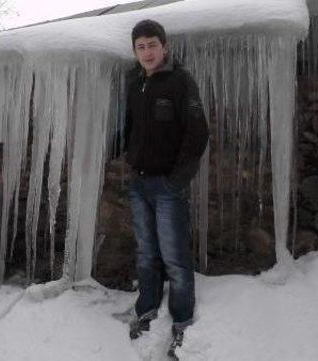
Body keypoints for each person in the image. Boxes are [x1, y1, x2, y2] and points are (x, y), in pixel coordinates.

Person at [124, 19, 209, 355]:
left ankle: (182, 321)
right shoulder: (134, 83)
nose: (147, 52)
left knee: (174, 257)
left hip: (167, 184)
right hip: (139, 182)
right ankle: (146, 310)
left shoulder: (180, 81)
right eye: (140, 46)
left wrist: (177, 180)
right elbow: (129, 127)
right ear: (135, 51)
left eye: (152, 45)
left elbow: (198, 133)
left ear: (164, 46)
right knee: (146, 253)